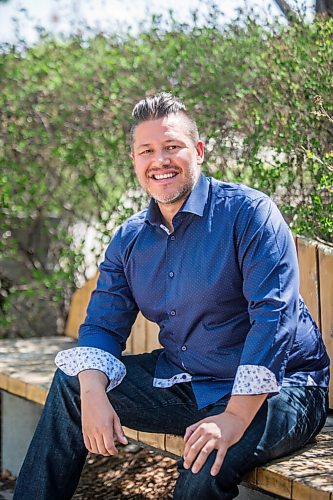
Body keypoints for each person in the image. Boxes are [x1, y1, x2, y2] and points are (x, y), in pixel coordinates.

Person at [14, 92, 329, 500]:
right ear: (134, 162)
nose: (159, 160)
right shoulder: (129, 239)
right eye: (147, 150)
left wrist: (233, 416)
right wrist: (91, 393)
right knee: (74, 383)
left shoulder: (250, 214)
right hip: (187, 378)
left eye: (172, 147)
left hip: (282, 389)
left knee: (204, 462)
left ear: (198, 151)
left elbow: (274, 319)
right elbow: (102, 325)